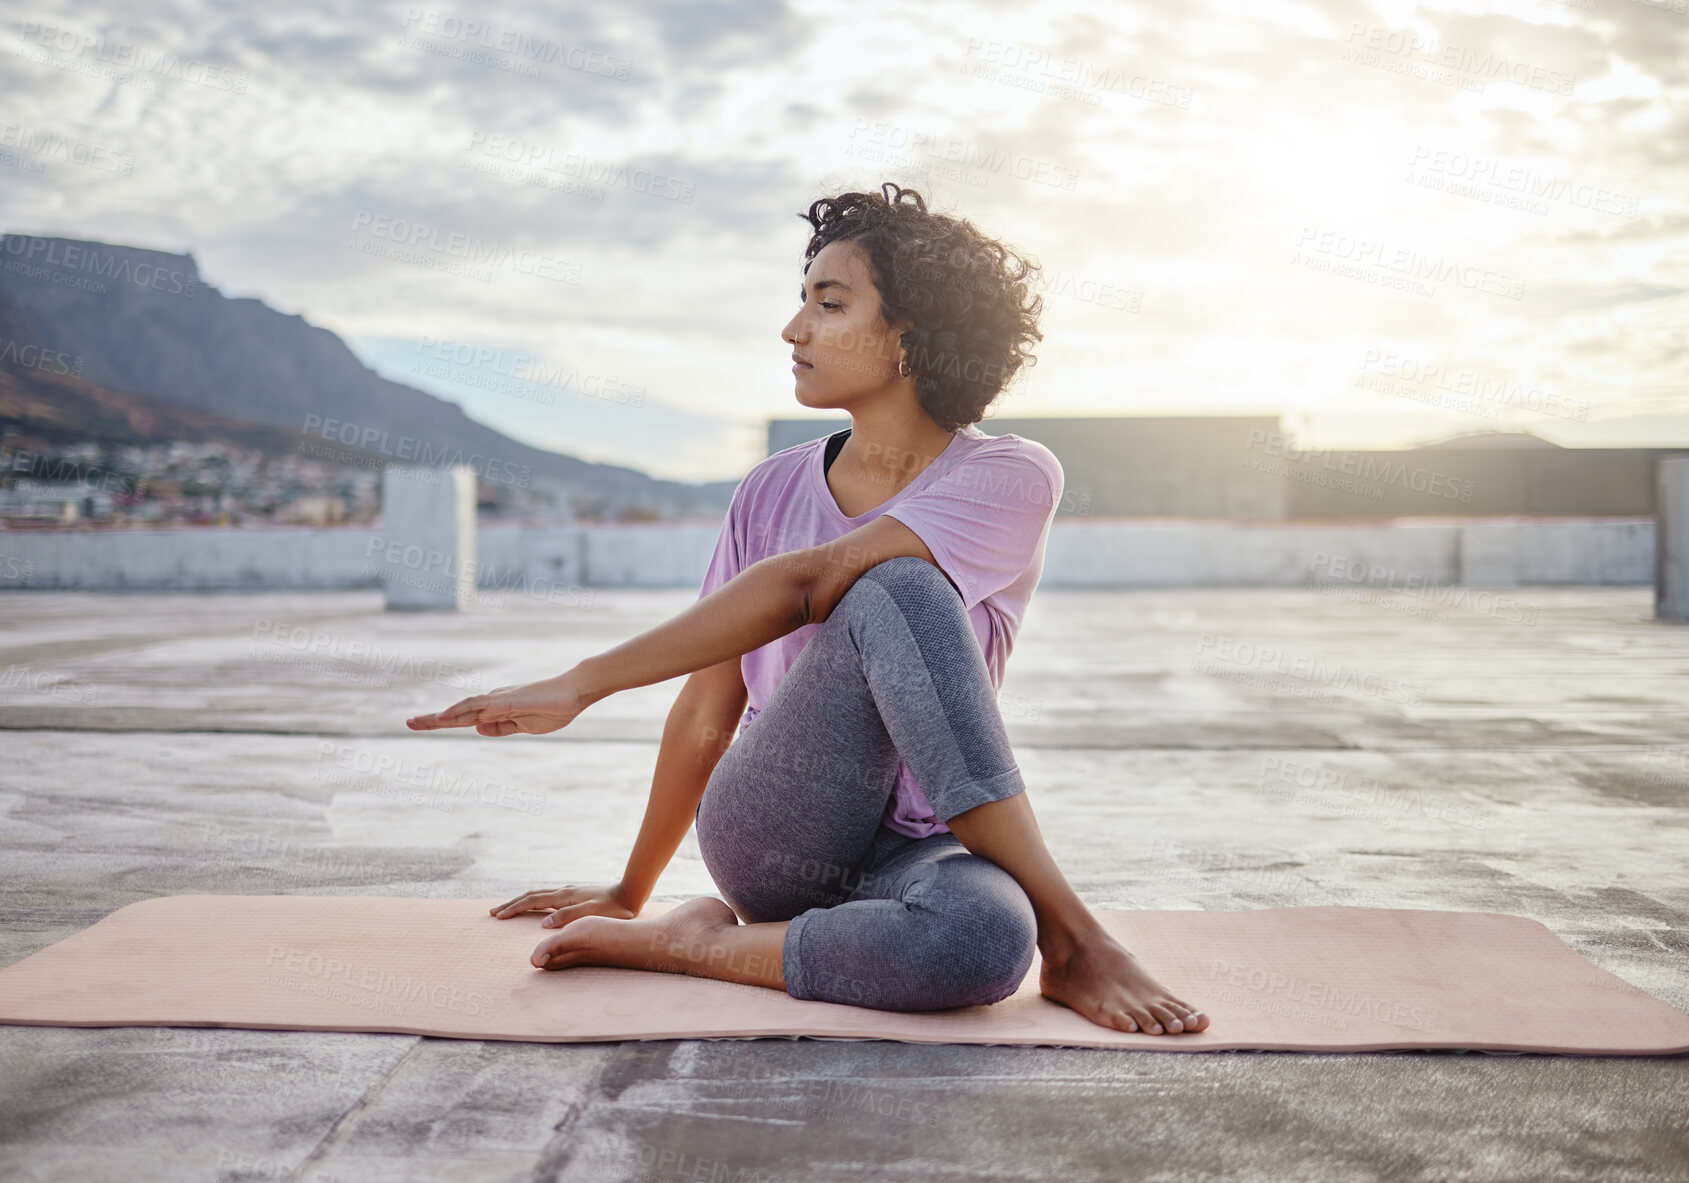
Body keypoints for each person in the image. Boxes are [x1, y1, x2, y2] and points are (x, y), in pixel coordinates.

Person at [407, 182, 1209, 1036]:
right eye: (802, 302)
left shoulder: (1008, 474)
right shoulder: (770, 489)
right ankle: (1076, 937)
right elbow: (710, 702)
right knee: (896, 585)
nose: (795, 330)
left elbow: (813, 579)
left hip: (925, 845)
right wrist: (629, 886)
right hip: (776, 825)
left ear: (911, 337)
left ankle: (699, 943)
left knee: (981, 944)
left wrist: (583, 684)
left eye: (829, 305)